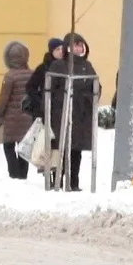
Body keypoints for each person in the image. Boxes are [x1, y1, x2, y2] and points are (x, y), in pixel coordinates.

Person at [44, 31, 101, 189]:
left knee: (76, 151)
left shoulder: (87, 66)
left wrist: (91, 96)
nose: (78, 48)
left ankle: (73, 182)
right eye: (75, 45)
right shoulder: (59, 65)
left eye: (80, 45)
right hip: (61, 114)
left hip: (81, 115)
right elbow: (50, 90)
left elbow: (96, 87)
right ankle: (58, 181)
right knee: (60, 150)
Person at [0, 40, 33, 179]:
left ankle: (14, 174)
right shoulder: (32, 74)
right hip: (27, 117)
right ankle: (23, 175)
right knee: (24, 147)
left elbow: (4, 99)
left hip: (11, 118)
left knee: (8, 146)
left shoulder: (9, 76)